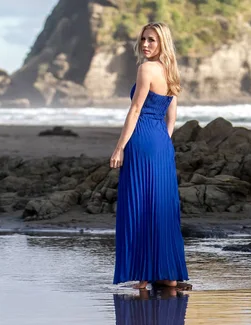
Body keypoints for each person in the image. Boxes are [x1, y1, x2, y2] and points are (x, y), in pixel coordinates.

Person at [110, 22, 190, 290]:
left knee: (140, 205)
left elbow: (135, 111)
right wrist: (163, 143)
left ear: (162, 43)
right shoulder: (171, 72)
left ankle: (144, 277)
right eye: (143, 39)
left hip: (142, 140)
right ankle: (165, 274)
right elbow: (172, 118)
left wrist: (121, 146)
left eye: (151, 40)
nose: (145, 44)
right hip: (161, 144)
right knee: (160, 206)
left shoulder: (146, 69)